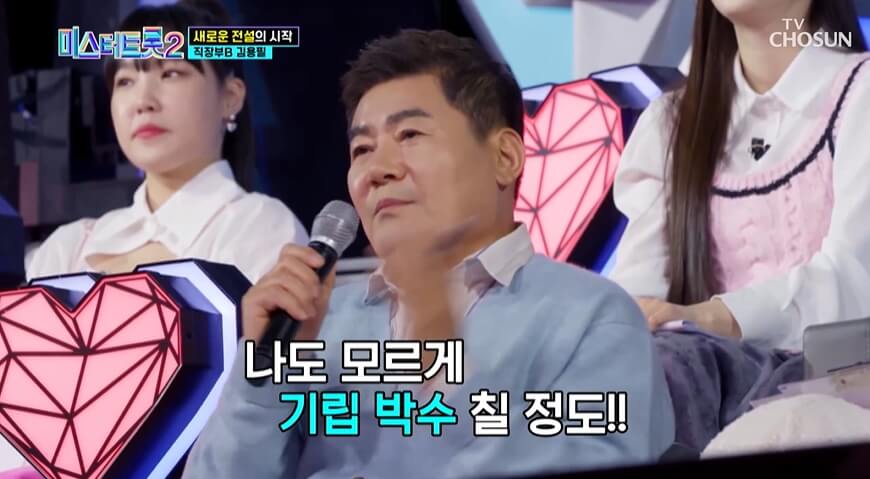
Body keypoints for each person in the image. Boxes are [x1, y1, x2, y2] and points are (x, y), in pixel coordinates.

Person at [182, 29, 675, 479]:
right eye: (361, 150)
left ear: (505, 157)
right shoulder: (318, 324)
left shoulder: (594, 319)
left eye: (410, 135)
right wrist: (264, 370)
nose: (377, 169)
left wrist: (440, 354)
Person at [609, 0, 870, 452]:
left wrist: (710, 317)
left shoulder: (860, 91)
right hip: (705, 400)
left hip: (843, 393)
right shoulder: (669, 125)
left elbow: (854, 277)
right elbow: (640, 305)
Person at [25, 0, 307, 286]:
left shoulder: (261, 228)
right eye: (125, 81)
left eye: (171, 73)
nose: (143, 101)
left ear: (230, 98)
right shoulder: (66, 249)